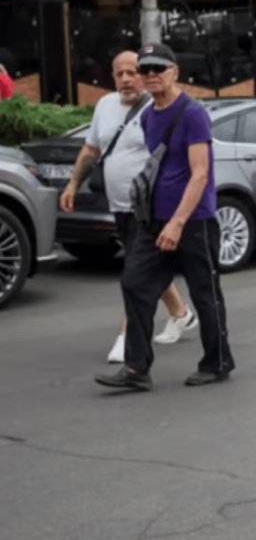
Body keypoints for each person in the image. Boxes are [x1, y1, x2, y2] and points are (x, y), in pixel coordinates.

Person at [96, 43, 235, 392]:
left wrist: (177, 222)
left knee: (205, 295)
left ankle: (217, 362)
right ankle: (136, 369)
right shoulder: (147, 116)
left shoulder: (192, 113)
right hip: (153, 220)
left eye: (159, 67)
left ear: (175, 71)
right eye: (146, 69)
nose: (151, 74)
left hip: (193, 223)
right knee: (135, 284)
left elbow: (199, 173)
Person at [61, 50, 199, 364]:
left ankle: (128, 339)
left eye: (132, 72)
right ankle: (180, 312)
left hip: (150, 208)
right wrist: (72, 183)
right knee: (146, 267)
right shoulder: (105, 106)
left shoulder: (159, 107)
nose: (126, 79)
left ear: (145, 73)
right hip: (119, 206)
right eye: (119, 73)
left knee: (135, 274)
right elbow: (91, 148)